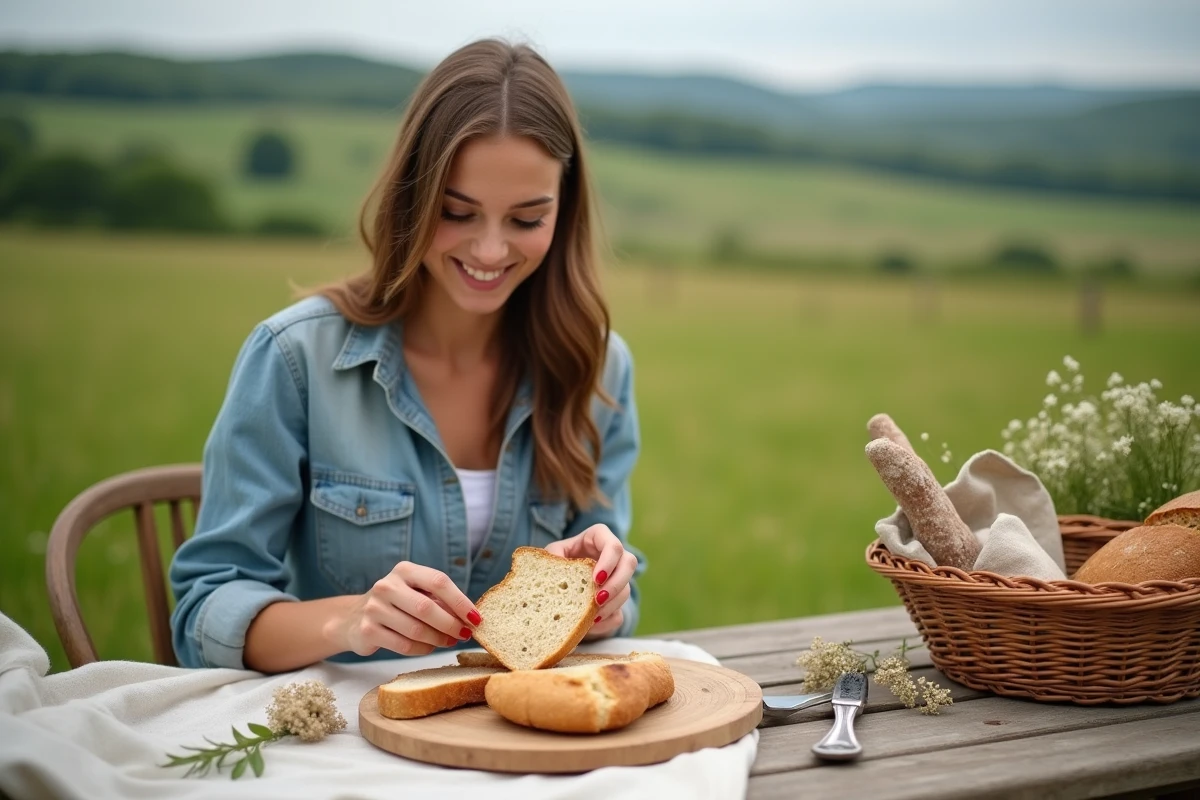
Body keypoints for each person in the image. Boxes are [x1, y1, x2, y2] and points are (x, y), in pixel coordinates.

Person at [168, 39, 644, 673]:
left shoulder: (598, 369)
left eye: (527, 219)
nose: (492, 250)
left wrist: (606, 597)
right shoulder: (294, 358)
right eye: (457, 212)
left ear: (565, 208)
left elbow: (620, 602)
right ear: (411, 196)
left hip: (525, 748)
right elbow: (205, 611)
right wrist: (351, 618)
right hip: (347, 740)